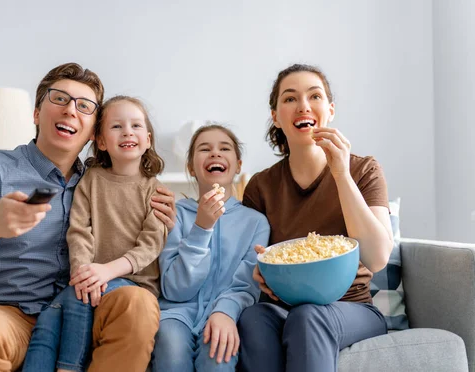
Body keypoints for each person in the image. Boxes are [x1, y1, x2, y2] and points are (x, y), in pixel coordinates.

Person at [0, 63, 176, 372]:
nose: (70, 110)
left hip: (86, 312)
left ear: (95, 133)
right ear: (36, 114)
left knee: (138, 304)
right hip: (10, 317)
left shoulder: (103, 183)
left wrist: (170, 217)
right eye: (59, 99)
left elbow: (147, 236)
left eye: (84, 106)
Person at [237, 64, 394, 372]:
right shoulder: (260, 186)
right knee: (253, 317)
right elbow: (250, 260)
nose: (303, 106)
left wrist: (340, 173)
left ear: (330, 110)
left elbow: (377, 258)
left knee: (308, 315)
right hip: (282, 308)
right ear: (276, 116)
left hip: (353, 309)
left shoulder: (364, 171)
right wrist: (257, 272)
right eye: (290, 98)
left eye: (315, 96)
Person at [23, 95, 168, 372]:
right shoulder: (91, 180)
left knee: (78, 299)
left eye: (136, 126)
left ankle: (68, 367)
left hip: (131, 282)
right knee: (48, 322)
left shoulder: (156, 191)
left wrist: (104, 272)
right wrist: (84, 271)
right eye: (116, 127)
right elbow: (79, 231)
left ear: (147, 139)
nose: (127, 131)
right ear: (101, 142)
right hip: (89, 276)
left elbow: (149, 247)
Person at [151, 124, 270, 372]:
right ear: (191, 168)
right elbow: (173, 289)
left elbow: (246, 285)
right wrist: (201, 229)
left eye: (224, 148)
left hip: (226, 314)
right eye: (204, 149)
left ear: (237, 165)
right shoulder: (176, 215)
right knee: (171, 349)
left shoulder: (256, 222)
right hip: (176, 314)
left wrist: (225, 312)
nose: (215, 153)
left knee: (218, 359)